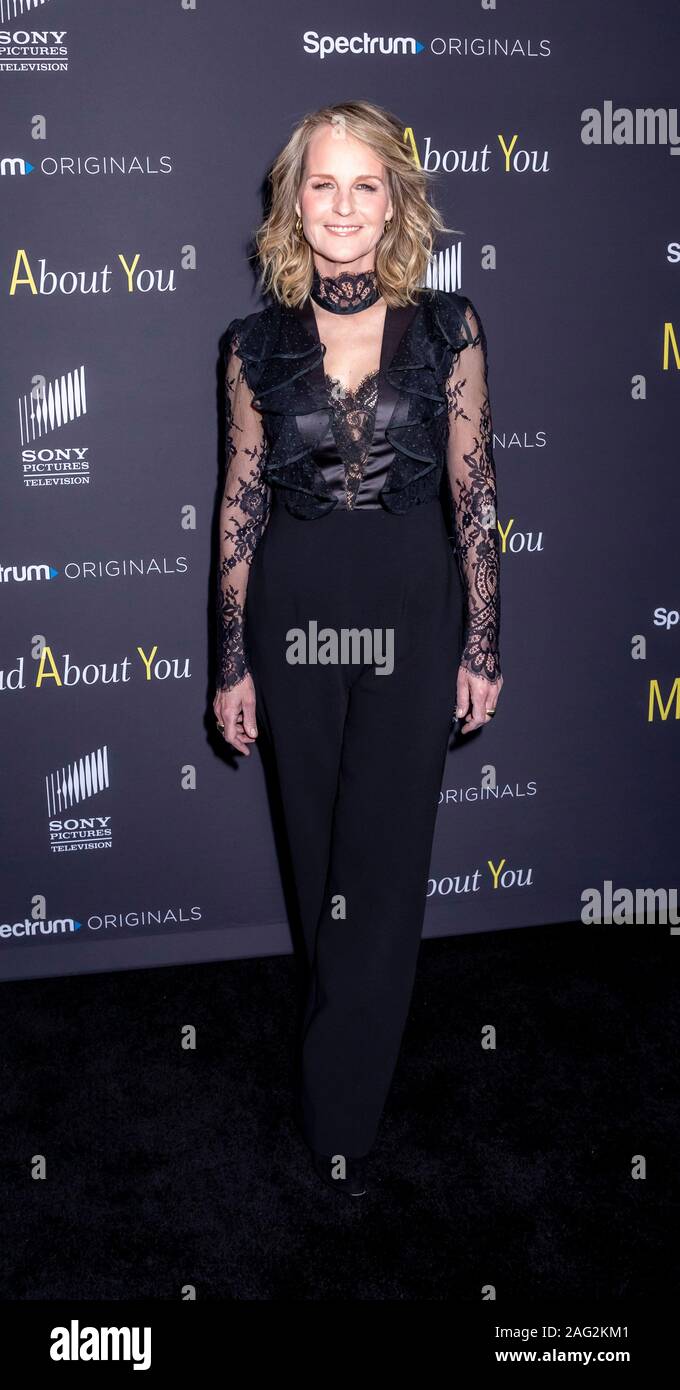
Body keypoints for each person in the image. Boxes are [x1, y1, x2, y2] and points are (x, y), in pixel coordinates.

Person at [213, 101, 503, 1197]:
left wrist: (483, 637)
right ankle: (339, 1051)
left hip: (408, 604)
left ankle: (341, 1101)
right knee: (316, 853)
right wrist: (230, 658)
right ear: (294, 200)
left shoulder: (448, 328)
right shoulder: (251, 347)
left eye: (364, 185)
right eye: (321, 185)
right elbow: (238, 502)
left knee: (381, 865)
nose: (341, 207)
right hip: (291, 608)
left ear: (395, 201)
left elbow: (474, 495)